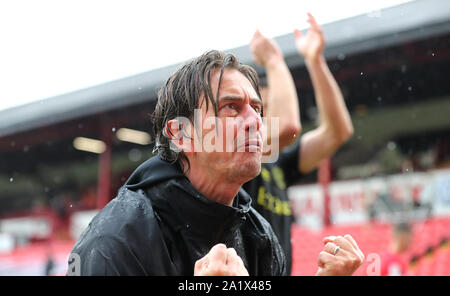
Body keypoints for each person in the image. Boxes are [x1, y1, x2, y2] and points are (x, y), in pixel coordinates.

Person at [67, 49, 363, 276]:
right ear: (181, 133)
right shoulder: (117, 238)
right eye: (231, 108)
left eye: (257, 109)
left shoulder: (259, 236)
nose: (255, 122)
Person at [244, 13, 354, 274]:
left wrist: (315, 61)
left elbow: (337, 132)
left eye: (266, 108)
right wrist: (273, 59)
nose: (261, 118)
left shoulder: (278, 164)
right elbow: (287, 127)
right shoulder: (234, 157)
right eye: (258, 109)